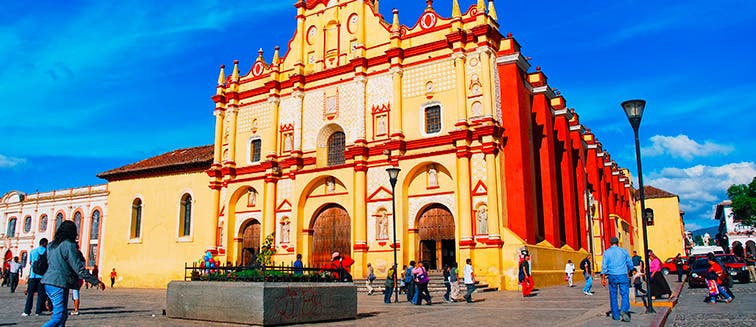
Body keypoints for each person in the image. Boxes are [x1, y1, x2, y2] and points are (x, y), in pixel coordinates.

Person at [41, 221, 105, 327]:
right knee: (58, 317)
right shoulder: (69, 245)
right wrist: (95, 281)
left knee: (63, 315)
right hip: (58, 283)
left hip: (49, 281)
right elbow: (79, 268)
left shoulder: (51, 245)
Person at [600, 237, 634, 322]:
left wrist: (603, 278)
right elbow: (630, 263)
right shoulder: (623, 251)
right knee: (625, 293)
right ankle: (624, 309)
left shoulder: (607, 252)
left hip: (612, 275)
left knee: (613, 295)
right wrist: (631, 269)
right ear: (618, 243)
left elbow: (604, 266)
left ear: (610, 243)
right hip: (622, 274)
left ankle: (616, 315)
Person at [23, 238, 49, 316]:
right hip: (42, 276)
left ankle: (27, 311)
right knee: (41, 294)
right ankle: (38, 311)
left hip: (32, 275)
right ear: (45, 243)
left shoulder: (33, 251)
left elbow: (31, 263)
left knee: (30, 294)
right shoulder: (47, 252)